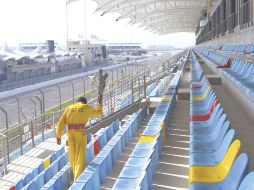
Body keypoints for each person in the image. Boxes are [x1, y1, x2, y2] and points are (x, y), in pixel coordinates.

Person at [55, 96, 103, 181]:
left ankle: (75, 174)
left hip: (70, 134)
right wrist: (99, 104)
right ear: (85, 102)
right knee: (80, 156)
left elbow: (60, 122)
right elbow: (99, 113)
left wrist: (58, 136)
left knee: (72, 156)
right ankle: (77, 179)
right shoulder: (86, 107)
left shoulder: (69, 108)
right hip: (80, 133)